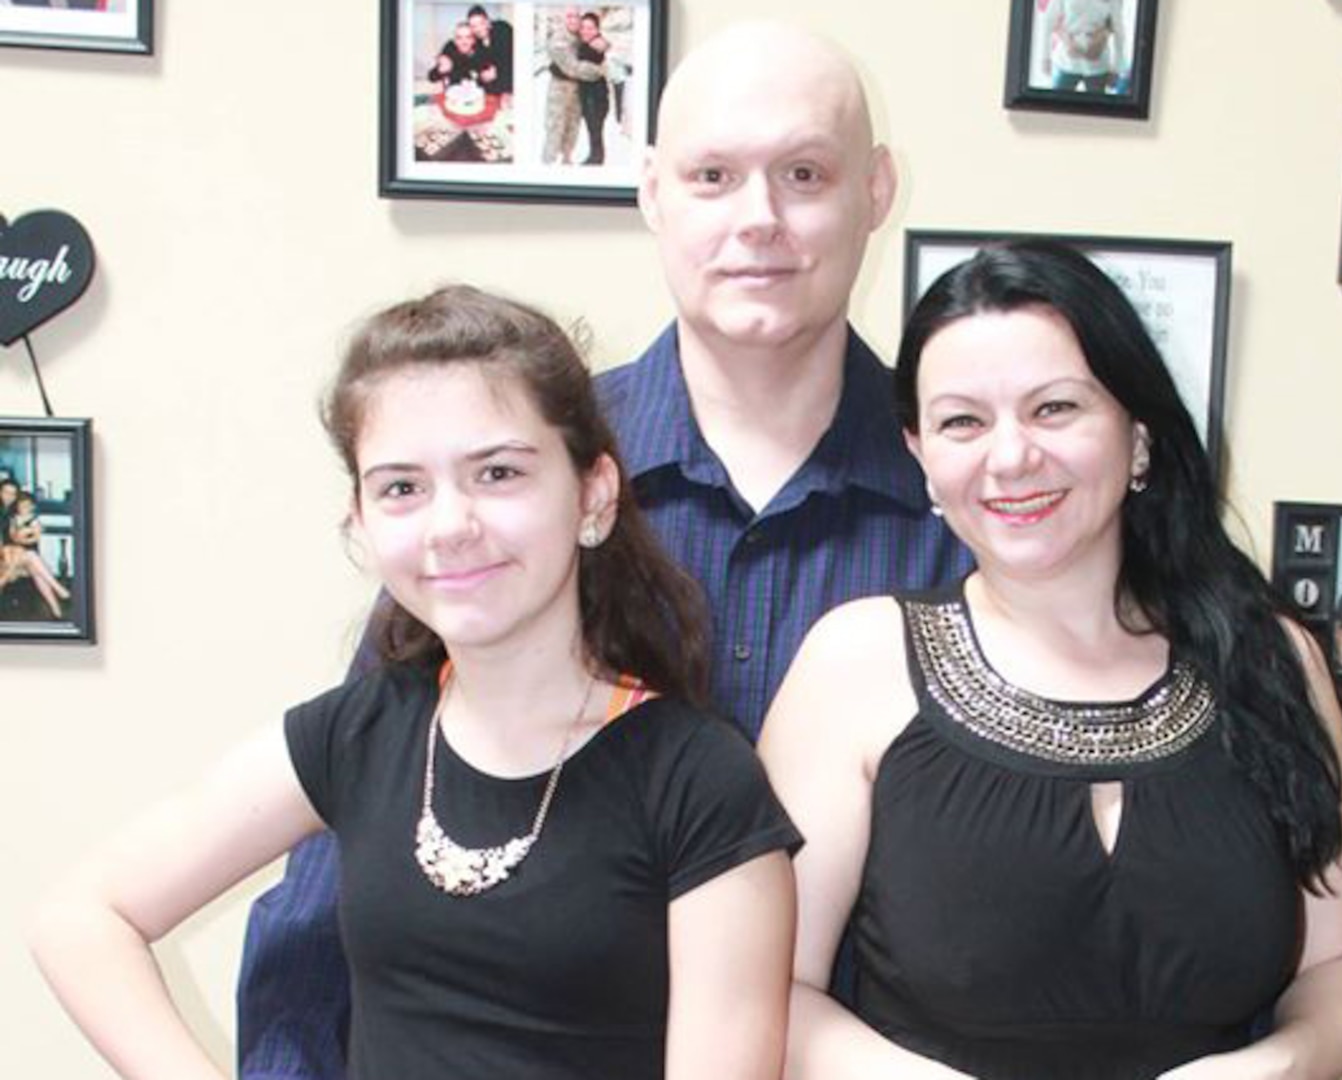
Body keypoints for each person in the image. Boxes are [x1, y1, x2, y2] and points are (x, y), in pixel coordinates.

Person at [236, 23, 972, 1080]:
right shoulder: (516, 484)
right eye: (712, 176)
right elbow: (350, 862)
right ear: (651, 194)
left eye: (802, 173)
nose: (757, 220)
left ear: (875, 190)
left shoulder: (968, 505)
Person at [30, 286, 801, 1080]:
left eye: (497, 473)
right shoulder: (359, 731)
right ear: (359, 522)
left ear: (593, 496)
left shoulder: (700, 780)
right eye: (401, 487)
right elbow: (83, 916)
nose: (449, 526)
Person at [760, 240, 1342, 1080]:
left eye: (1054, 409)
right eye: (962, 422)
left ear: (1138, 437)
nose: (1010, 456)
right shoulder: (855, 662)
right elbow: (768, 986)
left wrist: (1268, 1069)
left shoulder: (1272, 662)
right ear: (920, 457)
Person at [541, 6, 607, 166]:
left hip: (577, 92)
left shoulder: (579, 35)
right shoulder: (558, 40)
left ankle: (566, 163)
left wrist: (604, 43)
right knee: (555, 131)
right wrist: (600, 69)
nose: (573, 20)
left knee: (572, 131)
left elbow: (596, 40)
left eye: (577, 17)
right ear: (564, 18)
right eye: (569, 16)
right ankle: (547, 168)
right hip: (560, 93)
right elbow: (573, 68)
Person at [1, 488, 70, 619]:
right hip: (15, 555)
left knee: (36, 569)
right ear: (18, 506)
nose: (25, 508)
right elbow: (14, 537)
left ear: (32, 506)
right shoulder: (13, 519)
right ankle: (58, 589)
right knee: (32, 557)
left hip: (24, 553)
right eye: (22, 505)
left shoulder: (34, 520)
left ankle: (56, 610)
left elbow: (36, 537)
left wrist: (24, 536)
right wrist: (24, 535)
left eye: (28, 505)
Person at [1038, 0, 1124, 94]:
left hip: (1098, 65)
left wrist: (1116, 68)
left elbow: (1119, 30)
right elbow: (1048, 21)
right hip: (1067, 62)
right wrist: (1045, 57)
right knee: (1056, 105)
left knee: (1096, 107)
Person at [576, 12, 612, 165]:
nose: (585, 31)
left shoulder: (594, 47)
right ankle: (595, 156)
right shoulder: (587, 45)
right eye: (583, 27)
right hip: (590, 95)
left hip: (595, 96)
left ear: (597, 30)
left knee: (595, 129)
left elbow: (577, 66)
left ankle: (596, 159)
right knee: (594, 130)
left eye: (590, 28)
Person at [467, 4, 514, 98]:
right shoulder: (476, 44)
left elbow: (512, 59)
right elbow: (477, 68)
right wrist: (482, 75)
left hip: (514, 83)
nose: (478, 29)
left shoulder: (502, 29)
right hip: (494, 90)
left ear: (488, 21)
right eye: (473, 26)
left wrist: (497, 72)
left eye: (481, 23)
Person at [428, 21, 488, 89]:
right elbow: (431, 77)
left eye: (468, 37)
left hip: (477, 96)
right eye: (459, 38)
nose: (464, 42)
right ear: (455, 40)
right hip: (453, 96)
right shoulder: (449, 50)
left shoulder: (481, 53)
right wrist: (440, 70)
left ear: (474, 40)